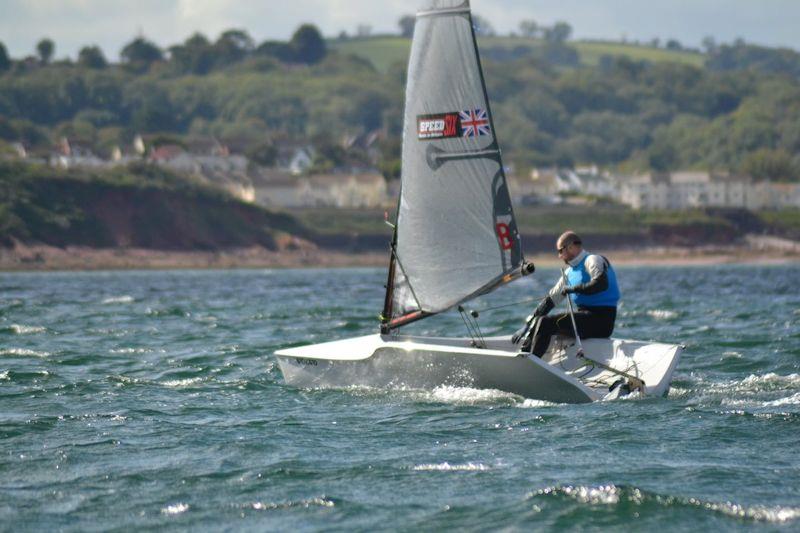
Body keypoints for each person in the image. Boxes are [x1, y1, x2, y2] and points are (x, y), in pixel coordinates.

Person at [512, 231, 620, 357]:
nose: (559, 256)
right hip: (583, 318)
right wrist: (528, 323)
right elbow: (550, 301)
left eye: (560, 251)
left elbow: (601, 284)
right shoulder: (568, 273)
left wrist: (574, 289)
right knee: (539, 321)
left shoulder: (592, 260)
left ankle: (531, 363)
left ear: (571, 247)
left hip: (602, 321)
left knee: (546, 323)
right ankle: (524, 355)